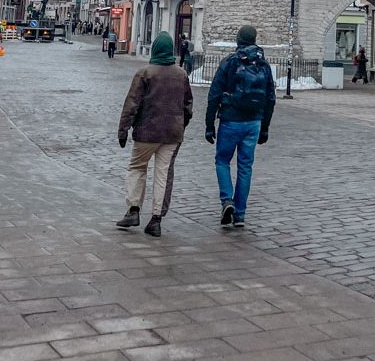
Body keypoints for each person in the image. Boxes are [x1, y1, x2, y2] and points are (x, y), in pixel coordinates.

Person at [116, 31, 193, 237]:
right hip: (172, 134)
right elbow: (188, 106)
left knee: (137, 167)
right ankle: (156, 219)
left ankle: (133, 209)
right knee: (163, 174)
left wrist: (123, 129)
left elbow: (132, 104)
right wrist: (181, 124)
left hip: (146, 132)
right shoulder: (181, 74)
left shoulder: (145, 73)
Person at [205, 24, 276, 228]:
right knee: (245, 167)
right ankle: (240, 214)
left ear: (238, 40)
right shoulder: (263, 65)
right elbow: (270, 99)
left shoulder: (230, 62)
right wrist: (265, 127)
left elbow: (214, 94)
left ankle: (227, 200)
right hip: (253, 123)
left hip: (230, 121)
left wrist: (209, 124)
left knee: (222, 161)